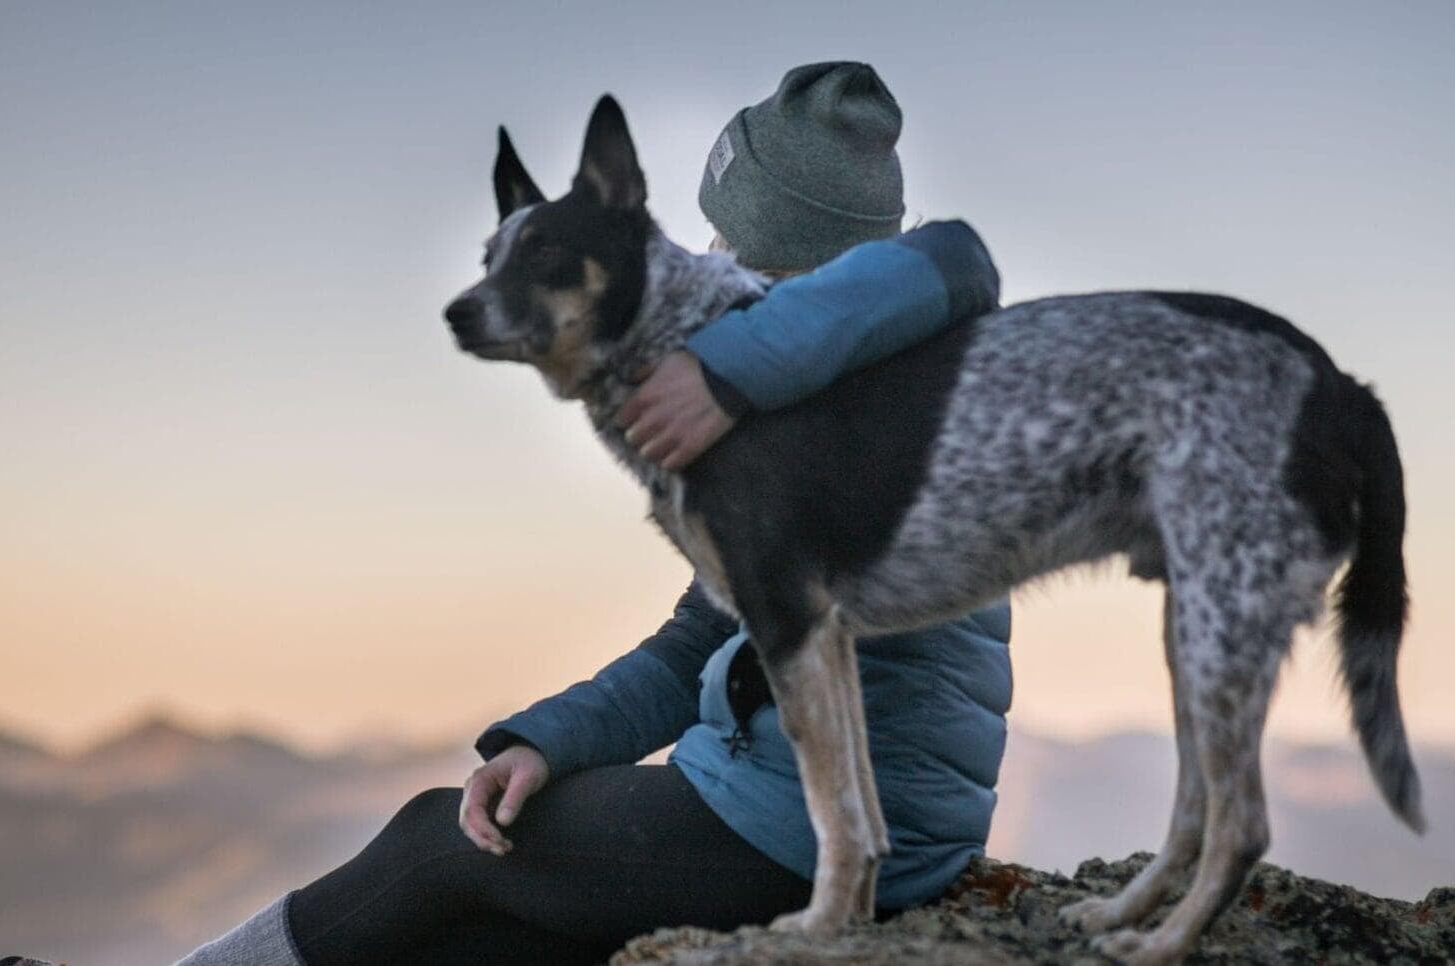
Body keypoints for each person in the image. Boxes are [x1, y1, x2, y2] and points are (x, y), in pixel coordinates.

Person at [64, 61, 1011, 966]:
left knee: (439, 841)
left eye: (725, 241)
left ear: (786, 261)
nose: (700, 257)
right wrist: (545, 741)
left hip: (820, 825)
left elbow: (958, 273)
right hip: (776, 795)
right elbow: (698, 644)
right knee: (481, 940)